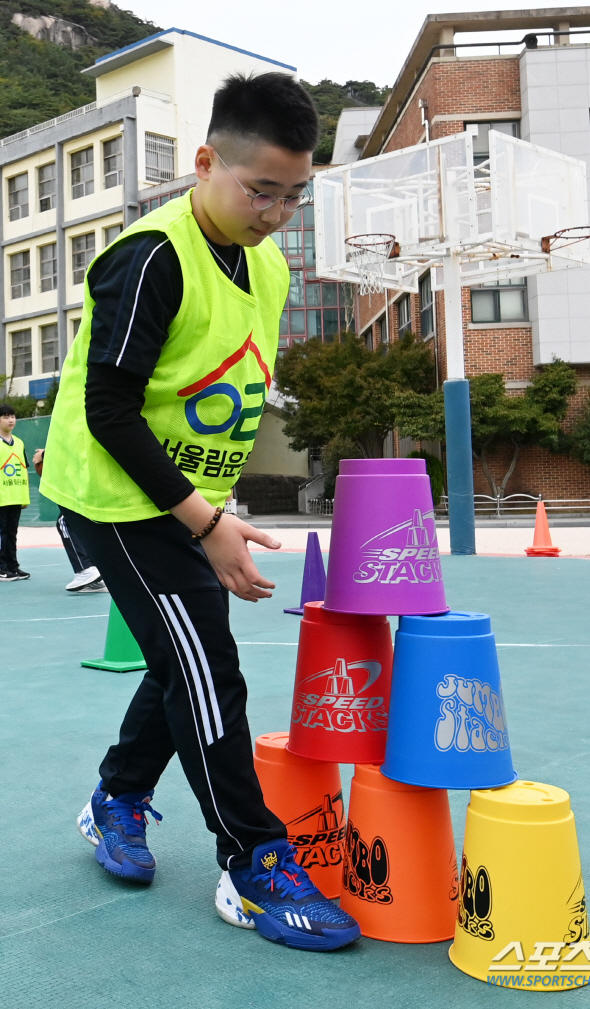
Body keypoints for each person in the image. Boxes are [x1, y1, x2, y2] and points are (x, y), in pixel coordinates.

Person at [41, 73, 360, 952]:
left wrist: (211, 509)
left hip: (178, 497)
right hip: (112, 497)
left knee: (183, 652)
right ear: (206, 161)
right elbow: (110, 411)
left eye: (295, 194)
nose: (276, 211)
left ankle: (117, 795)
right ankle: (252, 860)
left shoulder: (267, 264)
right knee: (207, 665)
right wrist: (204, 521)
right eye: (261, 190)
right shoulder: (150, 258)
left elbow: (225, 384)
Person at [33, 448, 107, 592]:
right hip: (102, 480)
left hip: (91, 480)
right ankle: (95, 575)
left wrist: (45, 454)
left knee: (65, 522)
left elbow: (77, 445)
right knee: (88, 525)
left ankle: (85, 569)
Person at [0, 403, 31, 581]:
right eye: (5, 416)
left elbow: (23, 468)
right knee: (2, 533)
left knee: (12, 533)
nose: (11, 419)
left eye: (12, 416)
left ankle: (13, 566)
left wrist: (25, 495)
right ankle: (1, 567)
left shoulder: (19, 442)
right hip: (2, 496)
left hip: (16, 495)